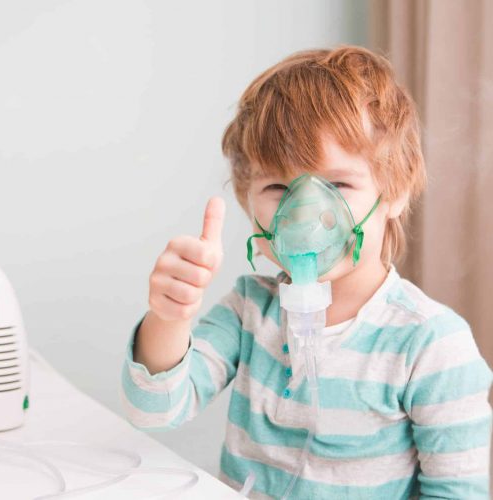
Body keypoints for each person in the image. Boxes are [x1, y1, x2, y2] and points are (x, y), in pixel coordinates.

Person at [120, 45, 492, 499]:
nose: (305, 214)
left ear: (394, 190)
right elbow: (154, 410)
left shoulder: (430, 345)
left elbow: (458, 493)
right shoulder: (250, 310)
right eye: (278, 187)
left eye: (336, 184)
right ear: (247, 199)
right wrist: (170, 315)